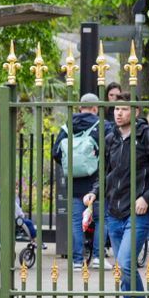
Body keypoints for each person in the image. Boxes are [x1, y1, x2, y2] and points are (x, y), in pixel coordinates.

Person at [83, 99, 149, 298]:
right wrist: (95, 192)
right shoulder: (111, 139)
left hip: (139, 213)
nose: (119, 113)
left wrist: (146, 197)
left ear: (136, 111)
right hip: (113, 213)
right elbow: (104, 173)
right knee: (122, 270)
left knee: (125, 264)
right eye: (116, 109)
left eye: (125, 109)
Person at [51, 93, 103, 267]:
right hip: (96, 181)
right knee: (100, 219)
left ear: (80, 107)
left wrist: (70, 166)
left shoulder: (67, 126)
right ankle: (97, 257)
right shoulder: (101, 126)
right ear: (96, 108)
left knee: (75, 222)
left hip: (74, 182)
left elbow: (55, 152)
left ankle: (77, 260)